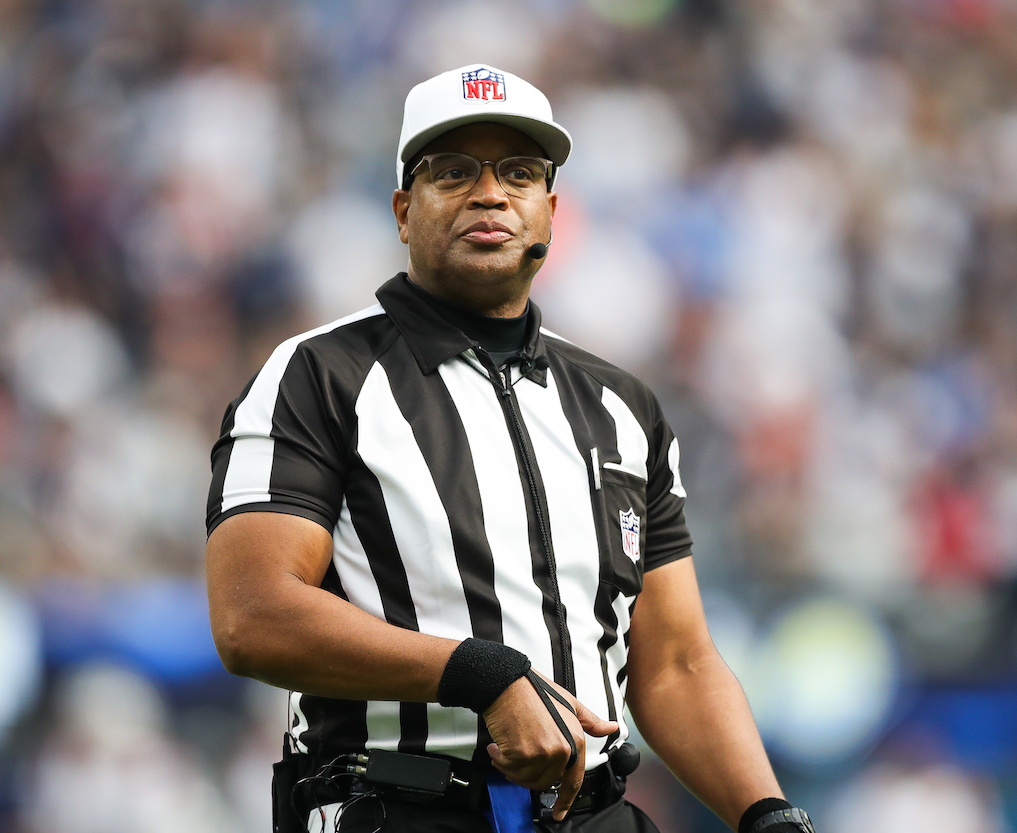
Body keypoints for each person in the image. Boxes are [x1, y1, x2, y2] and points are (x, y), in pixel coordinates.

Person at [205, 64, 815, 833]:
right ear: (402, 209)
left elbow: (674, 662)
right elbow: (250, 614)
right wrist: (480, 674)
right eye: (453, 171)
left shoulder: (621, 405)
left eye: (518, 173)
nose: (489, 193)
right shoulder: (319, 375)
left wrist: (765, 814)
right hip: (399, 808)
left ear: (550, 212)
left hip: (593, 813)